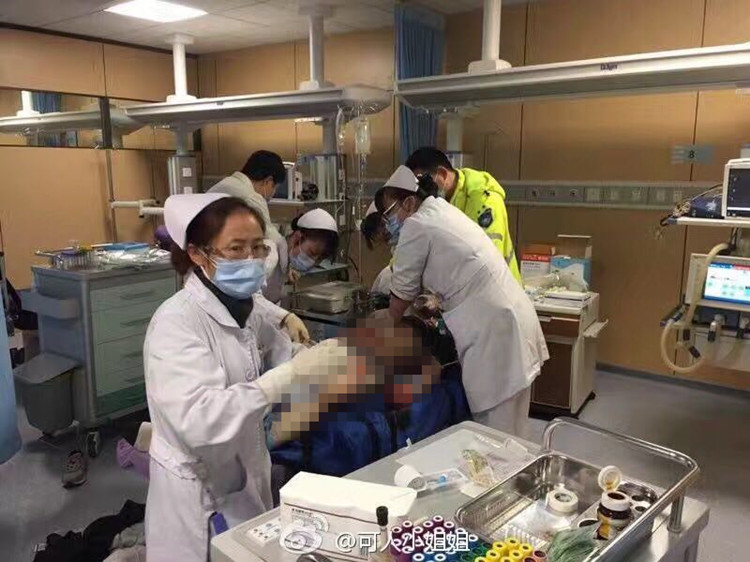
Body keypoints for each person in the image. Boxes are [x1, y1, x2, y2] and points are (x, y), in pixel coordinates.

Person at [144, 193, 369, 562]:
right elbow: (200, 421)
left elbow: (279, 351)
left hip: (246, 471)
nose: (251, 260)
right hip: (199, 496)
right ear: (198, 254)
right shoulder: (176, 324)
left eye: (258, 247)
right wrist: (293, 374)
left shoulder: (242, 307)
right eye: (236, 249)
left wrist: (318, 360)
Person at [380, 165, 548, 437]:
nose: (390, 222)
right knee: (513, 430)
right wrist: (435, 300)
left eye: (390, 212)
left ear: (409, 202)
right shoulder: (443, 211)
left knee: (495, 435)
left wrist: (381, 332)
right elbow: (456, 271)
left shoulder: (416, 224)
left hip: (495, 333)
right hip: (509, 318)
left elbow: (400, 297)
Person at [208, 150, 310, 343]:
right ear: (268, 181)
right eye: (275, 187)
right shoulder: (251, 197)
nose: (272, 193)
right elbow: (272, 241)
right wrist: (287, 266)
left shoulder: (223, 185)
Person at [405, 147, 522, 284]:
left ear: (442, 174)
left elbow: (484, 260)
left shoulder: (484, 200)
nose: (423, 191)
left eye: (425, 184)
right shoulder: (440, 202)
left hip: (497, 287)